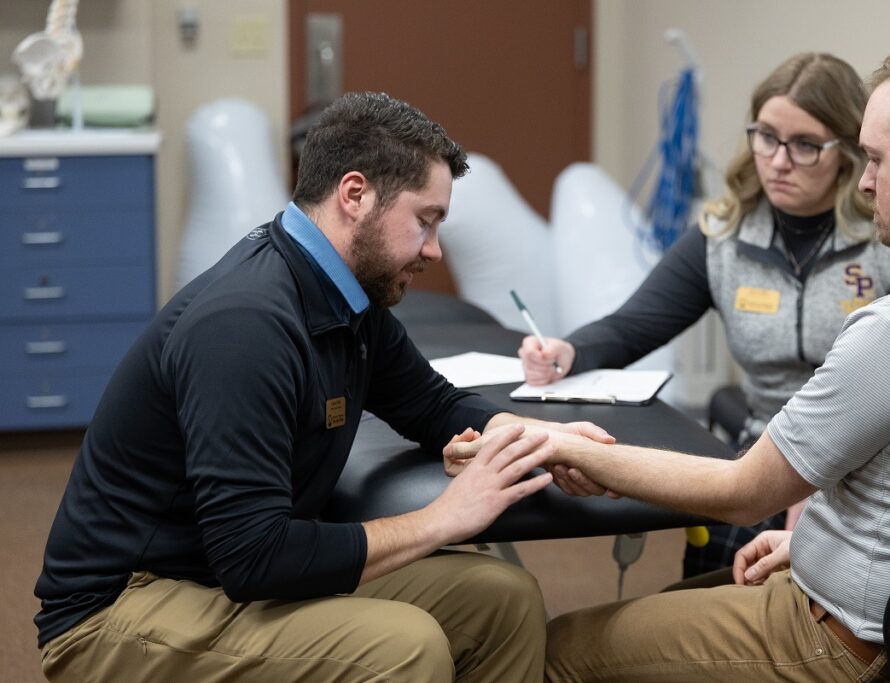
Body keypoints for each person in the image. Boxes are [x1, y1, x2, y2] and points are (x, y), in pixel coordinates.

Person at [454, 50, 890, 681]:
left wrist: (560, 443)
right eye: (768, 140)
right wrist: (809, 543)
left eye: (877, 159)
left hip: (848, 634)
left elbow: (741, 493)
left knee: (554, 650)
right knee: (674, 605)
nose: (865, 181)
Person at [33, 91, 612, 683]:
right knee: (405, 647)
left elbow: (431, 403)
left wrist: (547, 438)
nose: (435, 250)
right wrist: (443, 520)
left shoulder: (344, 295)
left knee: (502, 599)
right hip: (122, 608)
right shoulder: (245, 325)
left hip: (222, 574)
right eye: (425, 222)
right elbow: (254, 559)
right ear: (355, 195)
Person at [520, 52, 890, 578]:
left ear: (847, 153)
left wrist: (826, 477)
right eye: (766, 137)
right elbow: (634, 324)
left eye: (804, 146)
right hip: (764, 448)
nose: (778, 161)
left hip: (864, 455)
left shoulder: (888, 237)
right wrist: (568, 350)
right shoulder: (724, 237)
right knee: (719, 569)